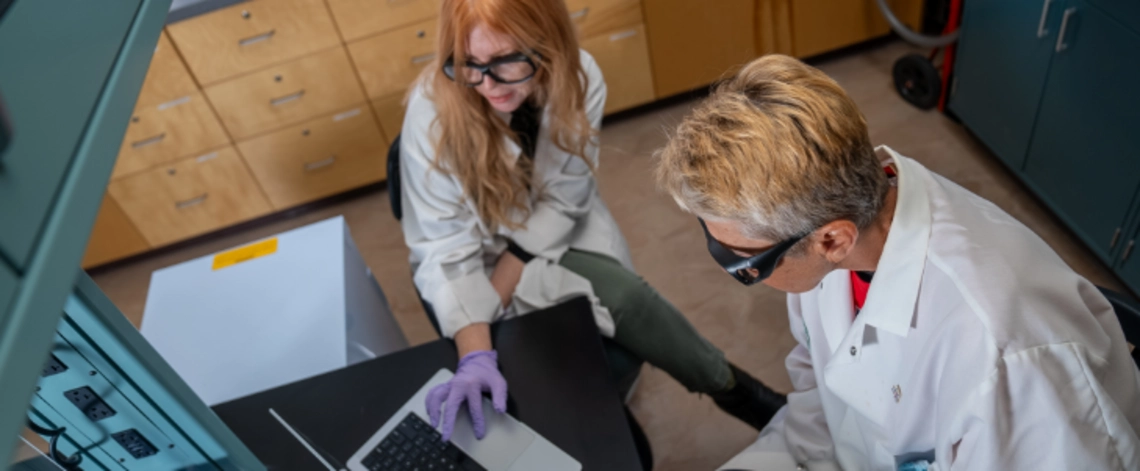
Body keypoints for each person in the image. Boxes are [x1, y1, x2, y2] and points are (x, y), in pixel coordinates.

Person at [656, 54, 1140, 470]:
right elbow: (819, 393)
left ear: (832, 241)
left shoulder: (1004, 356)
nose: (736, 271)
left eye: (746, 264)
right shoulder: (828, 214)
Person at [397, 0, 786, 442]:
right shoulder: (432, 113)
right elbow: (445, 248)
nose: (489, 84)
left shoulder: (580, 76)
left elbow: (564, 197)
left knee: (629, 299)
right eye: (472, 64)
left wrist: (497, 292)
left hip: (558, 224)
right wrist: (476, 356)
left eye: (509, 61)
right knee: (578, 351)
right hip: (478, 254)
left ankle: (740, 394)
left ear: (549, 43)